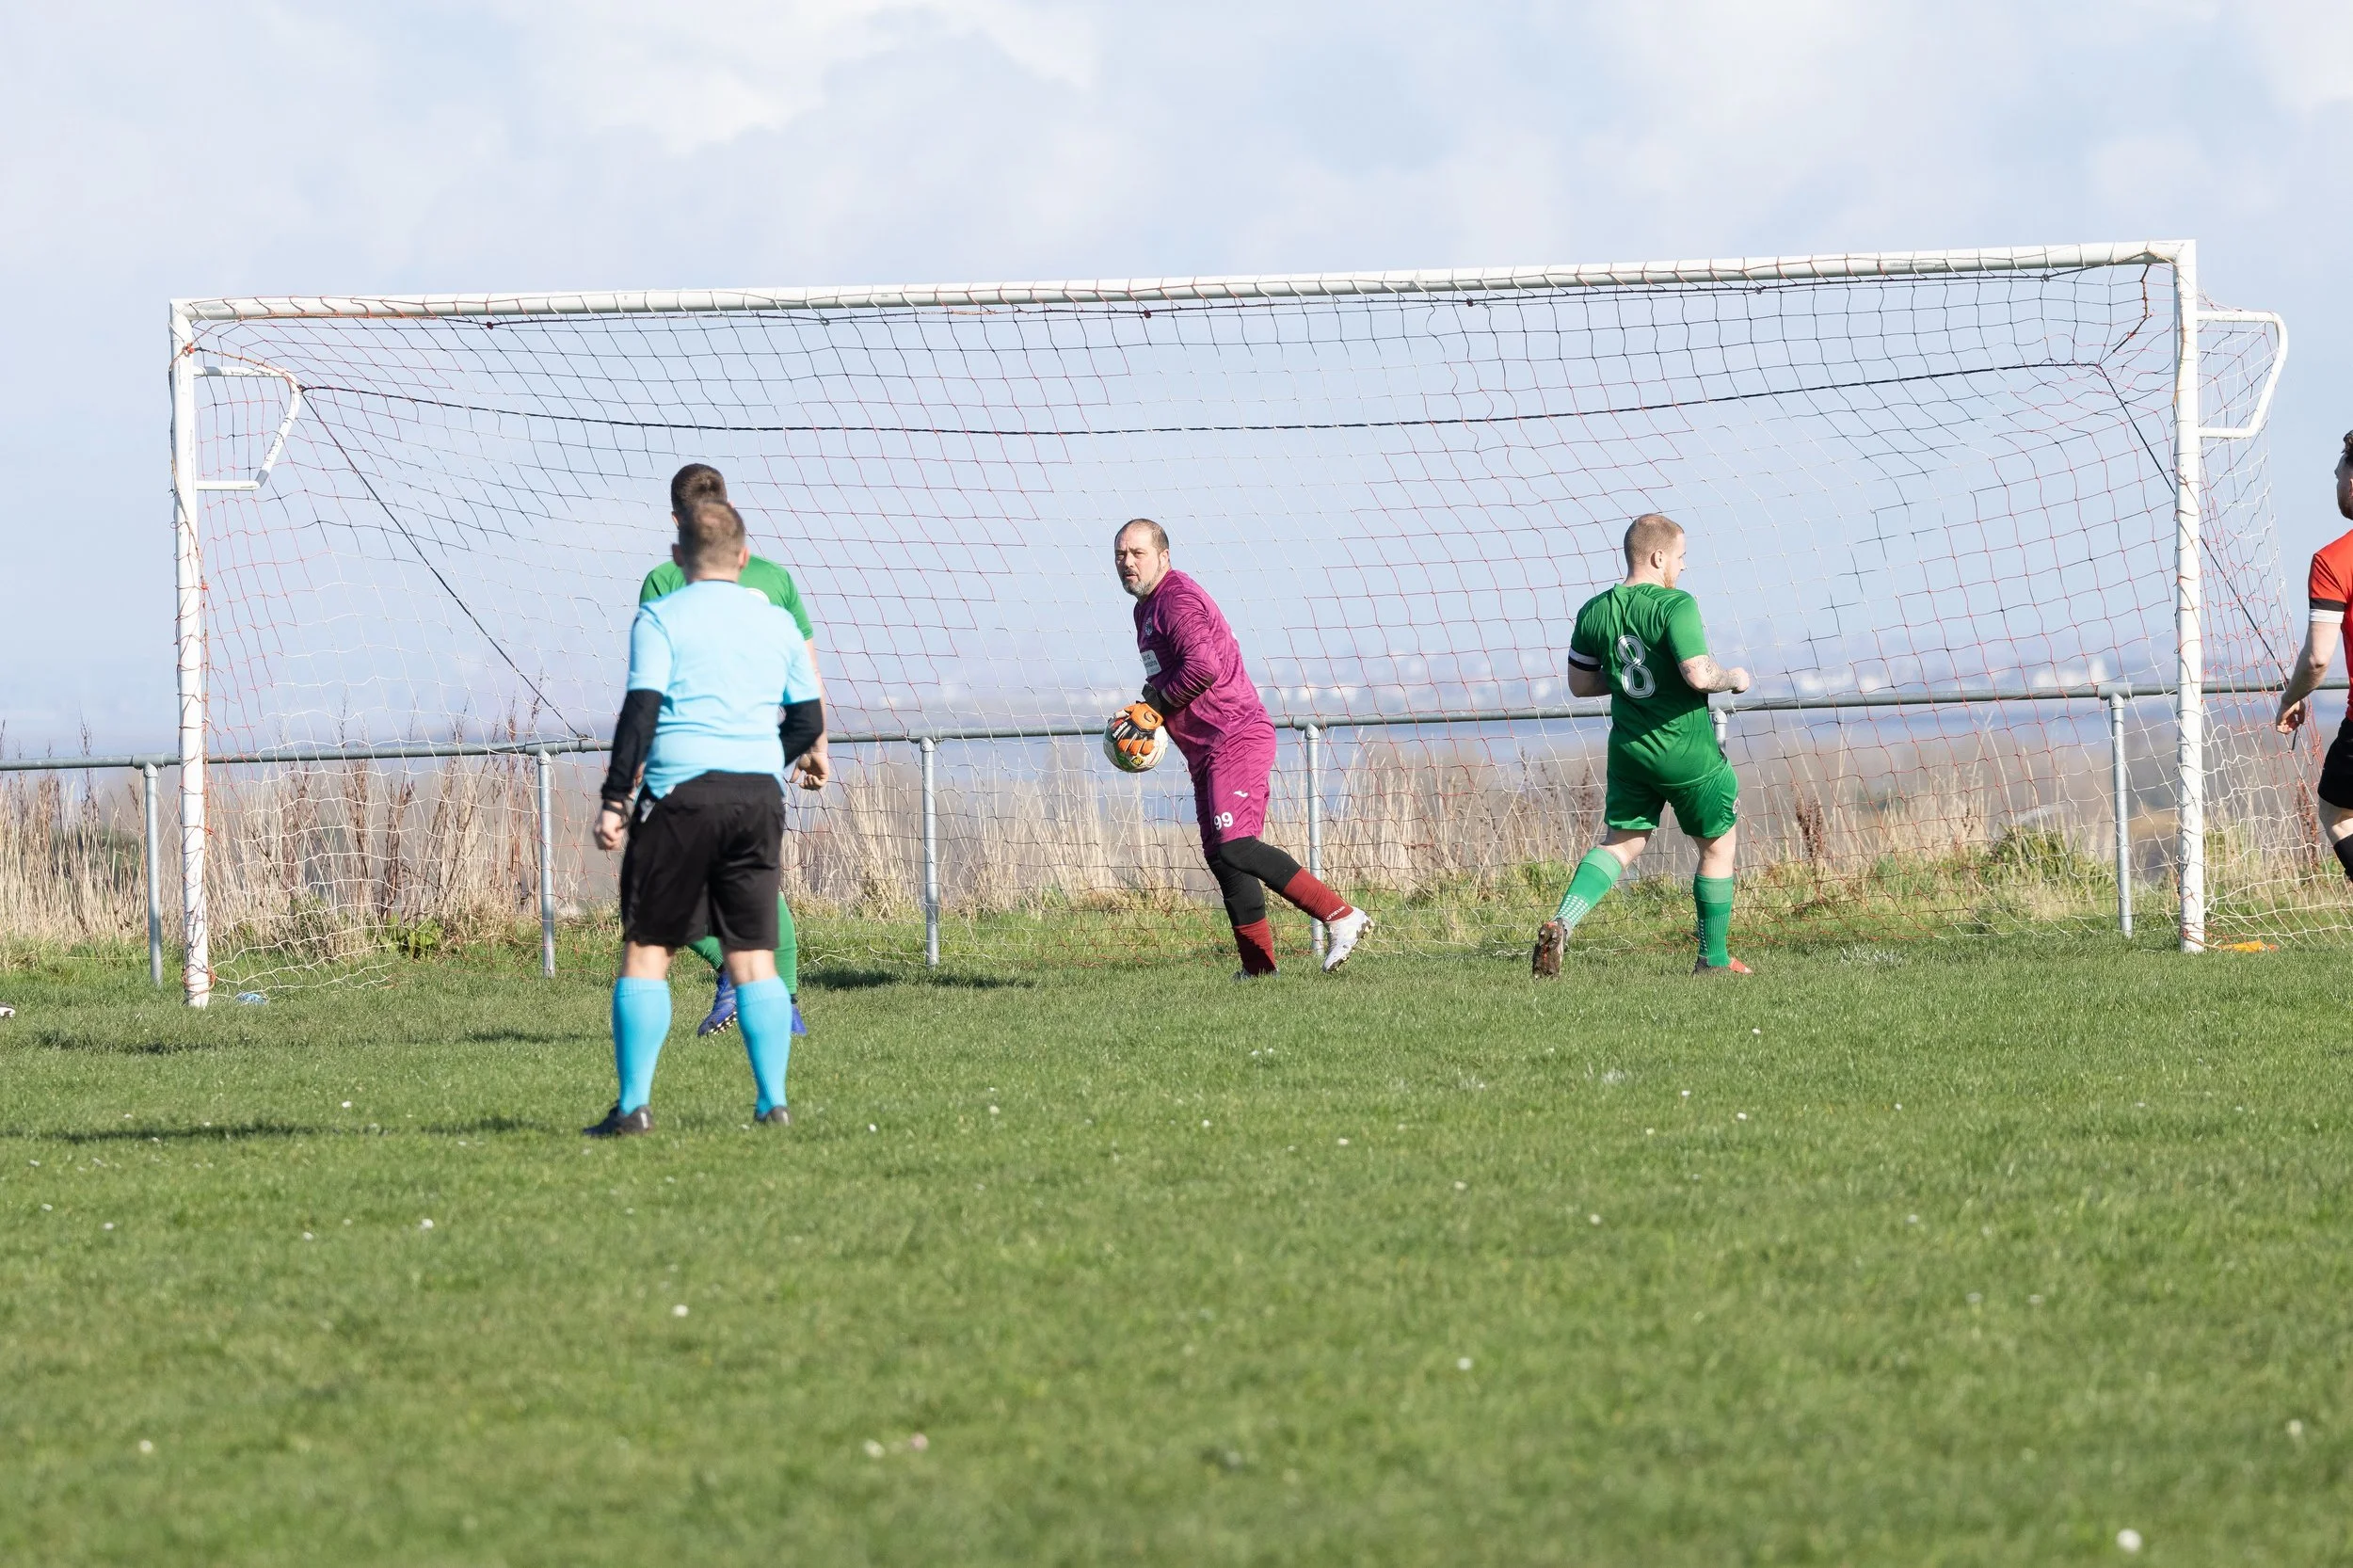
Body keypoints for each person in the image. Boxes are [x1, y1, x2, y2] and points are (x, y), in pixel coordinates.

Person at [585, 496, 825, 1136]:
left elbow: (639, 713)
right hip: (756, 799)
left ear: (676, 557)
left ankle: (633, 1106)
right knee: (754, 957)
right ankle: (772, 1103)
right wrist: (757, 761)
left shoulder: (660, 617)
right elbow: (807, 721)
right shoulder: (777, 622)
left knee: (647, 950)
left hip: (678, 799)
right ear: (744, 558)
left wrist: (615, 800)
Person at [1108, 518, 1373, 977]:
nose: (1127, 563)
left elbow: (1203, 667)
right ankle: (1258, 969)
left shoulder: (1175, 599)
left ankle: (1341, 916)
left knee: (1236, 847)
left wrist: (1154, 704)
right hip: (1206, 748)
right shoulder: (1145, 610)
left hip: (1235, 735)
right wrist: (1153, 713)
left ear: (1163, 556)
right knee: (1220, 854)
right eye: (1120, 555)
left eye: (1138, 553)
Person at [638, 463, 829, 1039]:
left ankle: (740, 976)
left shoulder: (662, 581)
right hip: (760, 749)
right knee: (755, 877)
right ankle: (776, 1001)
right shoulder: (774, 579)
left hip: (689, 754)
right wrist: (814, 744)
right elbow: (806, 667)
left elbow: (654, 677)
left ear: (677, 522)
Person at [1532, 513, 1753, 978]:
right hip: (1686, 750)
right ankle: (1713, 958)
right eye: (1681, 557)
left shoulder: (1594, 610)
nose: (1683, 567)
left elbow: (1579, 684)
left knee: (1621, 843)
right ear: (1658, 557)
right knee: (1717, 846)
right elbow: (1698, 674)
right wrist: (1734, 678)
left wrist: (1628, 683)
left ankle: (1563, 921)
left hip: (1631, 751)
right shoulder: (1676, 605)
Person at [2274, 431, 2353, 878]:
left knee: (2337, 813)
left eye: (2341, 465)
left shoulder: (2333, 561)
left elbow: (2317, 659)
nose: (2335, 474)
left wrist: (2291, 696)